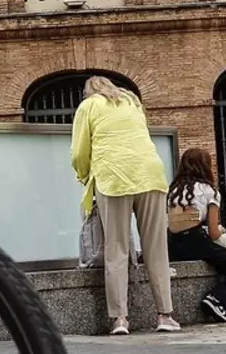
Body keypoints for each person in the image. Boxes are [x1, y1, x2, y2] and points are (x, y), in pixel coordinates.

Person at [70, 75, 177, 335]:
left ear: (88, 91)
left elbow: (79, 152)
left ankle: (120, 320)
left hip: (113, 177)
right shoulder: (132, 101)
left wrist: (84, 176)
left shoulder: (88, 106)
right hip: (150, 175)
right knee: (156, 249)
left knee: (116, 248)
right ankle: (165, 316)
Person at [166, 146, 226, 323]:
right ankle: (217, 300)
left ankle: (215, 301)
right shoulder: (209, 191)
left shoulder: (173, 191)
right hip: (195, 243)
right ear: (205, 166)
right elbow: (214, 232)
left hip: (171, 244)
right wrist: (220, 230)